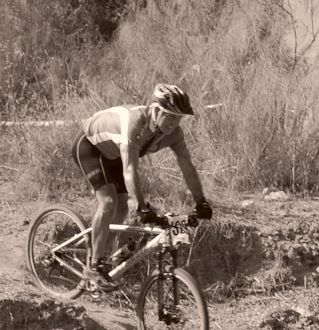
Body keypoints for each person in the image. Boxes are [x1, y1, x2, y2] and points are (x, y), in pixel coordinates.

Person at [71, 84, 213, 291]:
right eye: (170, 116)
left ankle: (99, 255)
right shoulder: (135, 122)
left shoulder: (174, 134)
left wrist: (201, 201)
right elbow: (130, 169)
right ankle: (94, 266)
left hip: (115, 154)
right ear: (155, 110)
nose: (174, 123)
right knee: (108, 202)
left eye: (179, 118)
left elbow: (186, 165)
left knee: (122, 208)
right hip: (90, 147)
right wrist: (141, 205)